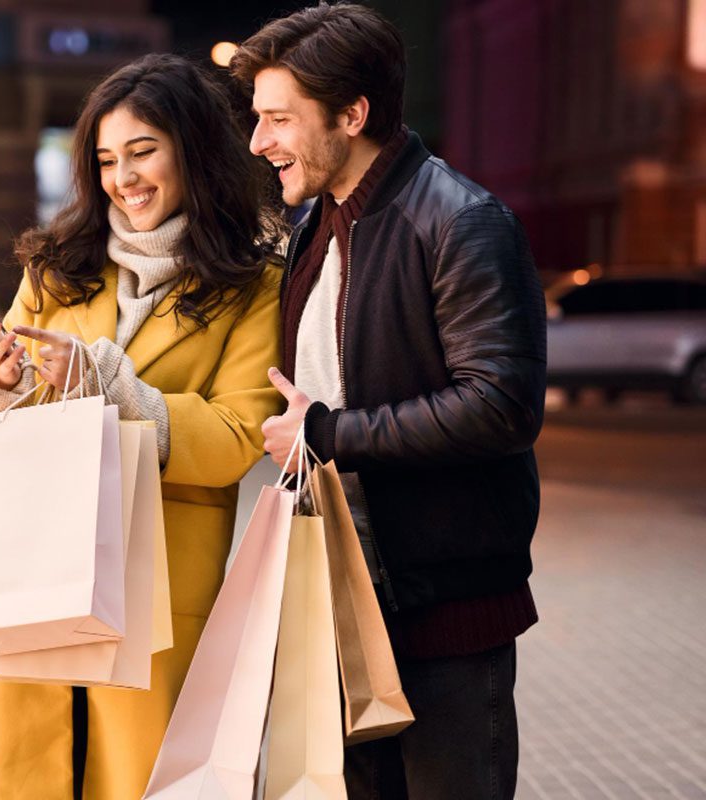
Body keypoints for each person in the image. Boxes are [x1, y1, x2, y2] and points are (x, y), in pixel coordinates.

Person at [232, 4, 547, 798]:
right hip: (342, 598)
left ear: (352, 113)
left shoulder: (462, 222)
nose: (257, 141)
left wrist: (331, 432)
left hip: (442, 609)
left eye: (278, 119)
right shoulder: (319, 227)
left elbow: (501, 406)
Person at [0, 54, 285, 799]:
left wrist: (109, 385)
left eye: (143, 152)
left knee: (144, 778)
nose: (123, 178)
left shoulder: (254, 285)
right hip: (38, 572)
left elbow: (238, 435)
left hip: (159, 587)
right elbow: (3, 418)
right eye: (106, 160)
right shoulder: (55, 267)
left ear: (193, 153)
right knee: (30, 771)